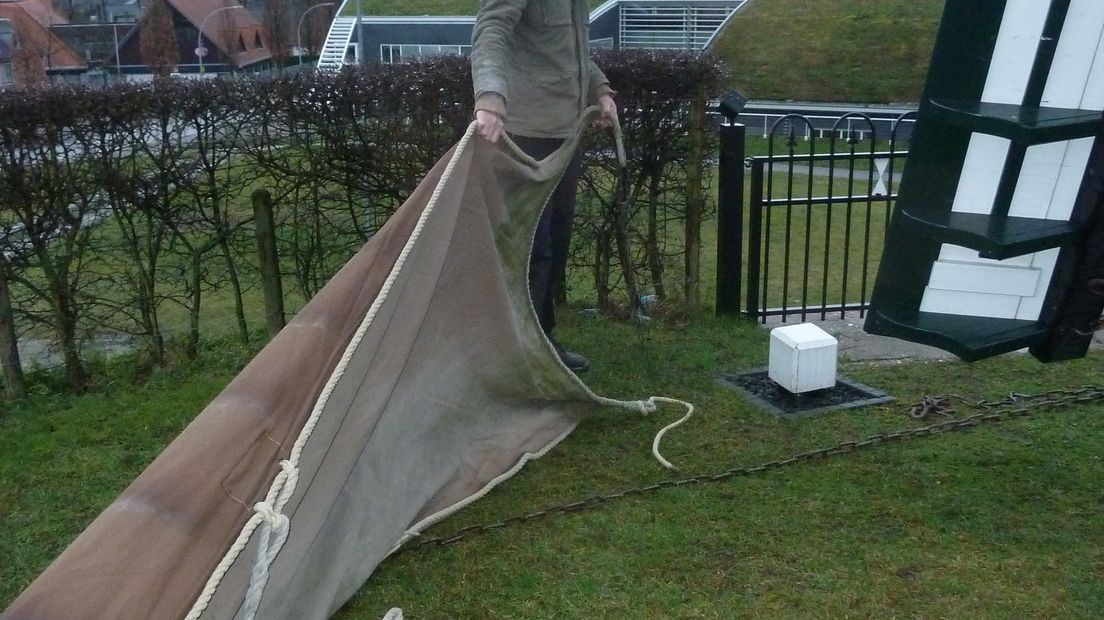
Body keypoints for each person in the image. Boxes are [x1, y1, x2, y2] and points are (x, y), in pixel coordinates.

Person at [471, 0, 617, 372]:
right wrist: (489, 96)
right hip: (524, 137)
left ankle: (541, 341)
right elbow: (491, 29)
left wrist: (599, 91)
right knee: (531, 250)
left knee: (556, 245)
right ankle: (516, 354)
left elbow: (570, 51)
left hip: (565, 136)